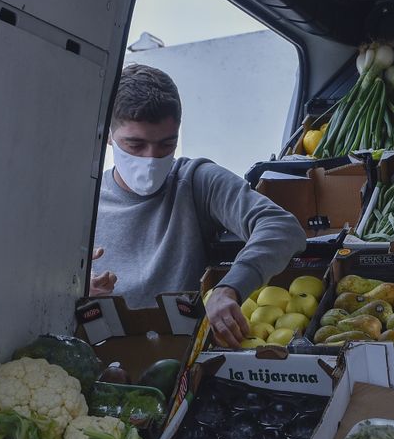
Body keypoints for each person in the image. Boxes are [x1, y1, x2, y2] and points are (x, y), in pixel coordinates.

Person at [92, 64, 305, 346]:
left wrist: (230, 288)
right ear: (108, 135)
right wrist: (76, 293)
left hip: (188, 353)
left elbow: (282, 227)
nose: (151, 159)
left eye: (166, 145)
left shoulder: (194, 181)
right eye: (135, 145)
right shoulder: (84, 204)